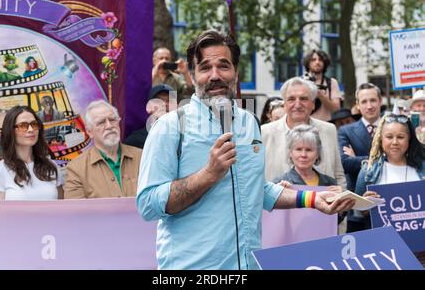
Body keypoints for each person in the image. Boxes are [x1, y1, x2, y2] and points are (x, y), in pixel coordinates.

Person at [136, 30, 354, 270]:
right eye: (205, 67)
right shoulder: (170, 126)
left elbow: (255, 188)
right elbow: (148, 204)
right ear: (194, 75)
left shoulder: (249, 122)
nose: (215, 75)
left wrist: (312, 198)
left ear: (236, 73)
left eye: (224, 66)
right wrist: (208, 174)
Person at [262, 77, 346, 188]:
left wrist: (339, 199)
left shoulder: (329, 130)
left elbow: (338, 174)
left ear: (313, 104)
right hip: (278, 204)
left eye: (303, 99)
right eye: (291, 99)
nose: (297, 104)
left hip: (326, 202)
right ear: (285, 104)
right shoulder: (264, 133)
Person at [355, 113, 424, 230]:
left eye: (401, 137)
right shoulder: (369, 170)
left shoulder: (422, 168)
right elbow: (358, 213)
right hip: (384, 244)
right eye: (389, 137)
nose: (395, 142)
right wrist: (365, 205)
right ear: (381, 139)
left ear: (409, 139)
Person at [64, 100, 142, 198]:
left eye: (112, 120)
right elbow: (75, 211)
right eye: (101, 122)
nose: (109, 126)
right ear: (89, 132)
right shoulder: (76, 169)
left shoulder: (142, 157)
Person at [0, 106, 63, 200]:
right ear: (10, 131)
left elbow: (61, 209)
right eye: (23, 125)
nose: (31, 129)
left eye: (34, 124)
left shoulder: (51, 166)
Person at [338, 83, 383, 232]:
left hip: (388, 200)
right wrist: (381, 159)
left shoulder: (392, 127)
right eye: (364, 101)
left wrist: (358, 159)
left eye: (373, 100)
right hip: (357, 205)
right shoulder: (346, 131)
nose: (369, 106)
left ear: (380, 101)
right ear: (357, 105)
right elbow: (345, 163)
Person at [125, 84, 175, 149]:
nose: (165, 104)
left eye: (169, 101)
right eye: (159, 100)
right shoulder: (135, 140)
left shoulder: (184, 138)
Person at [302, 49, 342, 121]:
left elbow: (336, 110)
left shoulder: (332, 82)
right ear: (308, 63)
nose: (317, 62)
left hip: (325, 126)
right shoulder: (300, 82)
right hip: (304, 126)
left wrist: (321, 95)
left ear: (325, 63)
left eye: (320, 60)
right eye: (313, 60)